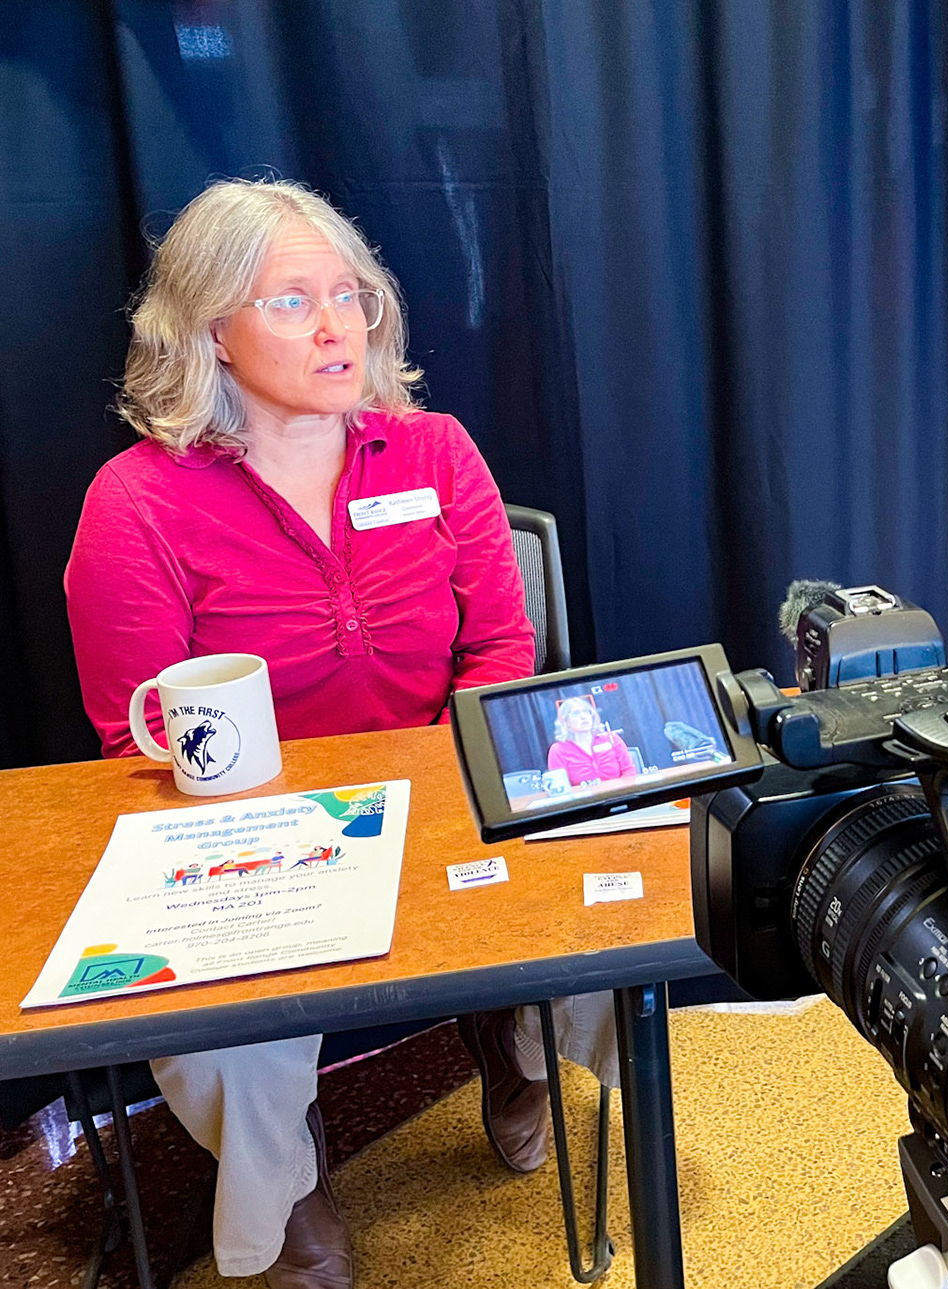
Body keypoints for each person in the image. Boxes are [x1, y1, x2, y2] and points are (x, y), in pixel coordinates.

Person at [64, 180, 616, 1289]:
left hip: (443, 790)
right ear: (207, 329)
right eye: (290, 302)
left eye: (349, 295)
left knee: (605, 901)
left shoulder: (434, 451)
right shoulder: (137, 504)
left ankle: (512, 1045)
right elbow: (135, 742)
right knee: (220, 1019)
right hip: (257, 834)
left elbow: (502, 648)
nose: (336, 326)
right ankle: (286, 1179)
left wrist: (444, 780)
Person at [547, 695, 639, 787]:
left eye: (586, 712)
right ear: (565, 721)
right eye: (576, 713)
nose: (583, 717)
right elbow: (560, 787)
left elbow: (629, 771)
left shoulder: (611, 738)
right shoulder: (558, 750)